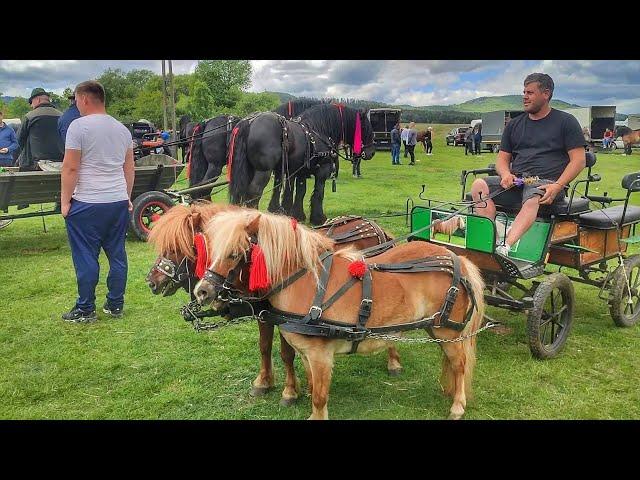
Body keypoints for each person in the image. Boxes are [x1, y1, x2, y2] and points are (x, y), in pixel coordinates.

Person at [470, 72, 586, 257]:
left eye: (530, 92)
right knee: (478, 185)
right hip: (517, 181)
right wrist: (506, 174)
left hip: (546, 184)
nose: (524, 96)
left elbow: (579, 160)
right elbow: (502, 159)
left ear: (546, 94)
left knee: (532, 196)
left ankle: (504, 247)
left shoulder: (566, 122)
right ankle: (490, 239)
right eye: (524, 91)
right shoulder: (514, 125)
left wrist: (557, 186)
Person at [60, 80, 135, 323]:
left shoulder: (78, 127)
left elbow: (71, 168)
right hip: (116, 201)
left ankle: (85, 308)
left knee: (86, 257)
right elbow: (129, 168)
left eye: (75, 100)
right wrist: (127, 197)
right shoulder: (122, 130)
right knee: (117, 255)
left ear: (83, 99)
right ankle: (115, 305)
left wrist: (65, 202)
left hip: (87, 202)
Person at [17, 88, 64, 171]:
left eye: (31, 102)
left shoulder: (30, 116)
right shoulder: (62, 116)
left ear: (38, 100)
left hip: (35, 165)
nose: (31, 106)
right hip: (61, 164)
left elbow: (19, 140)